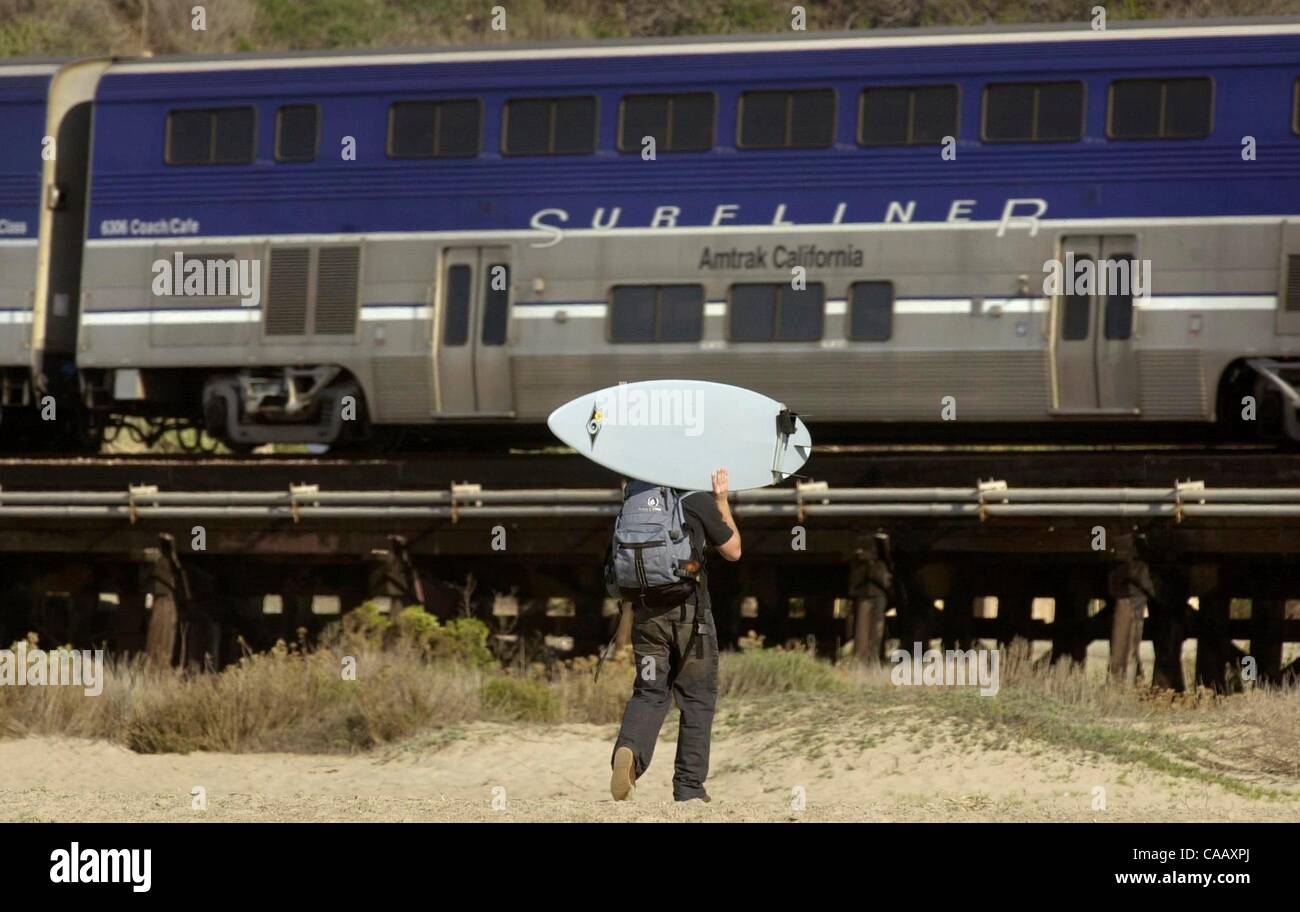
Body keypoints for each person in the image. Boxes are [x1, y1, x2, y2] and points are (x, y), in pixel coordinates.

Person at [610, 467, 741, 803]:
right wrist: (722, 501)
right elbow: (733, 550)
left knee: (650, 691)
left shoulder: (634, 501)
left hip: (646, 616)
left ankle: (629, 751)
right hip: (690, 617)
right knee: (697, 699)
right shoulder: (694, 498)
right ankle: (689, 788)